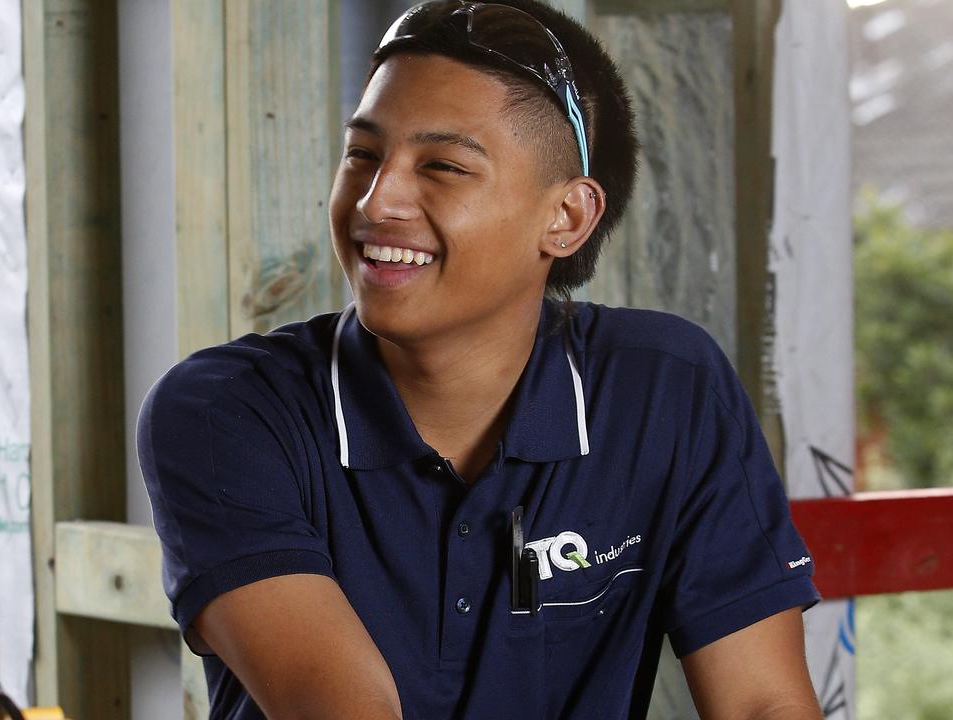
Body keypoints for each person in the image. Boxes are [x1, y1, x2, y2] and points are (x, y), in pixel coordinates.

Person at [138, 1, 823, 717]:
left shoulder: (667, 390)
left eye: (442, 166)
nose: (377, 201)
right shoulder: (226, 411)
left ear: (566, 218)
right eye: (363, 155)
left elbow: (762, 703)